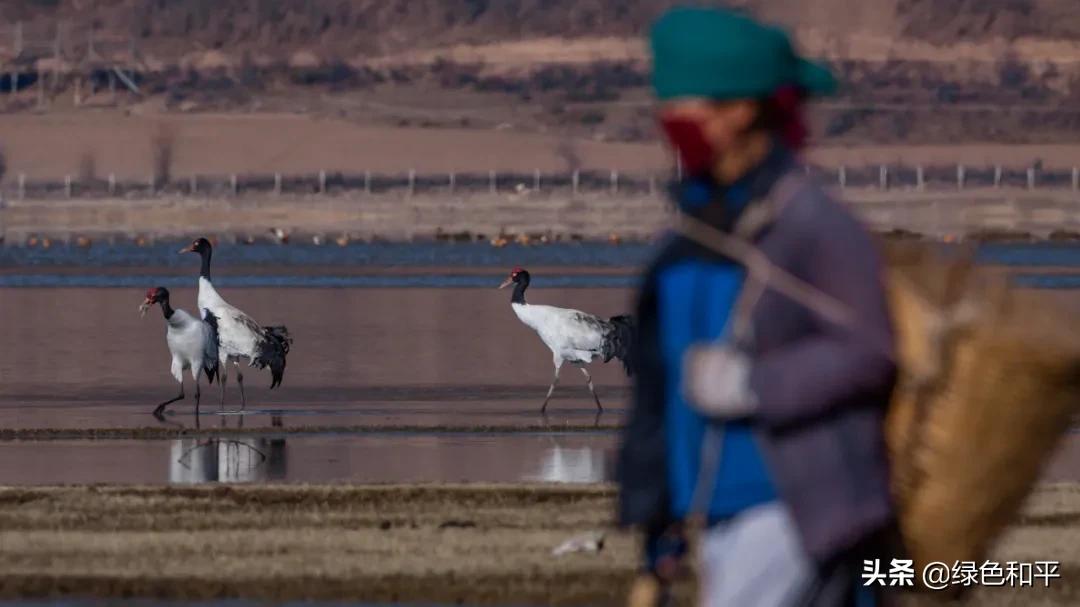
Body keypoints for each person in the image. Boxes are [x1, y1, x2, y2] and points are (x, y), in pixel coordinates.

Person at [616, 7, 899, 607]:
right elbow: (657, 391)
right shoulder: (682, 242)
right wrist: (655, 520)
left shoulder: (811, 225)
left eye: (682, 102)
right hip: (713, 513)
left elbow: (870, 347)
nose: (668, 119)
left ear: (740, 109)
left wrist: (755, 384)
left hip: (799, 512)